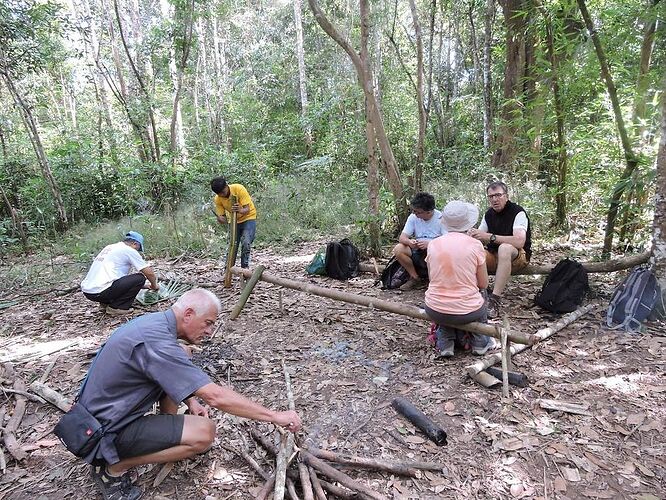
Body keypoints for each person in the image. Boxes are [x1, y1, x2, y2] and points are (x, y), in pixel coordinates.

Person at [70, 288, 302, 500]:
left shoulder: (155, 325)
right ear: (189, 314)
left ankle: (165, 426)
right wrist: (274, 416)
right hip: (100, 434)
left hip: (98, 418)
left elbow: (167, 369)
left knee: (184, 352)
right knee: (205, 433)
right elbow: (215, 397)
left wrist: (190, 399)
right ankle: (113, 468)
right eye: (208, 323)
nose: (210, 331)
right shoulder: (158, 343)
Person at [424, 200, 495, 357]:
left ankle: (445, 342)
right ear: (467, 222)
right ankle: (480, 342)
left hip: (434, 308)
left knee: (445, 299)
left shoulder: (433, 244)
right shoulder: (475, 245)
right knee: (482, 294)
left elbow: (432, 278)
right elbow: (483, 283)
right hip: (468, 311)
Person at [468, 181, 532, 318]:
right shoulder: (488, 214)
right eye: (491, 196)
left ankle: (495, 299)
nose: (494, 199)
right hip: (494, 255)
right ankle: (477, 291)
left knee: (505, 248)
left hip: (517, 256)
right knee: (473, 249)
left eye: (498, 195)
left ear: (506, 196)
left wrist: (490, 237)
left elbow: (520, 241)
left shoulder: (517, 212)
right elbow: (480, 235)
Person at [81, 231, 159, 316]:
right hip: (101, 291)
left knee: (131, 281)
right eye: (138, 248)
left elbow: (116, 279)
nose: (137, 251)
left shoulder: (110, 247)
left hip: (89, 292)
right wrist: (154, 285)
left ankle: (104, 304)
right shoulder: (128, 250)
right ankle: (117, 307)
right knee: (140, 278)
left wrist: (144, 286)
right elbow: (149, 273)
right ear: (135, 244)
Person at [392, 192, 446, 291]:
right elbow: (402, 237)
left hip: (435, 252)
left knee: (435, 251)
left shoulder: (441, 218)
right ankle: (415, 278)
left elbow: (447, 241)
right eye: (414, 211)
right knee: (399, 249)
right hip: (417, 250)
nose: (415, 214)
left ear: (429, 211)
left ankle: (434, 282)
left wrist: (431, 244)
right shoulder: (413, 217)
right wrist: (410, 242)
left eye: (418, 212)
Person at [211, 176, 257, 269]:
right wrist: (220, 219)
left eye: (223, 192)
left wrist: (240, 210)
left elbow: (247, 209)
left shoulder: (238, 189)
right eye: (220, 194)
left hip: (248, 217)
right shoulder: (218, 199)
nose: (222, 195)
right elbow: (223, 218)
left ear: (226, 186)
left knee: (246, 242)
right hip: (234, 221)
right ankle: (228, 269)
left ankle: (245, 268)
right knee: (232, 245)